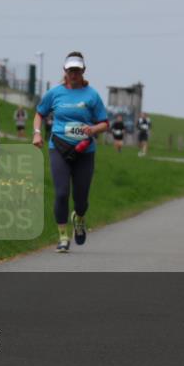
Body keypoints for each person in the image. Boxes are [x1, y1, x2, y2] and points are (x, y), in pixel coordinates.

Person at [33, 52, 109, 253]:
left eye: (77, 70)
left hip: (85, 150)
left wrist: (93, 129)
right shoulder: (55, 93)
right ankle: (63, 237)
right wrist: (37, 133)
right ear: (65, 71)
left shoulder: (92, 95)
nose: (73, 74)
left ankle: (79, 218)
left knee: (81, 198)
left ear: (83, 71)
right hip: (59, 147)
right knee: (61, 193)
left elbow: (105, 123)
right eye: (70, 70)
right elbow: (40, 113)